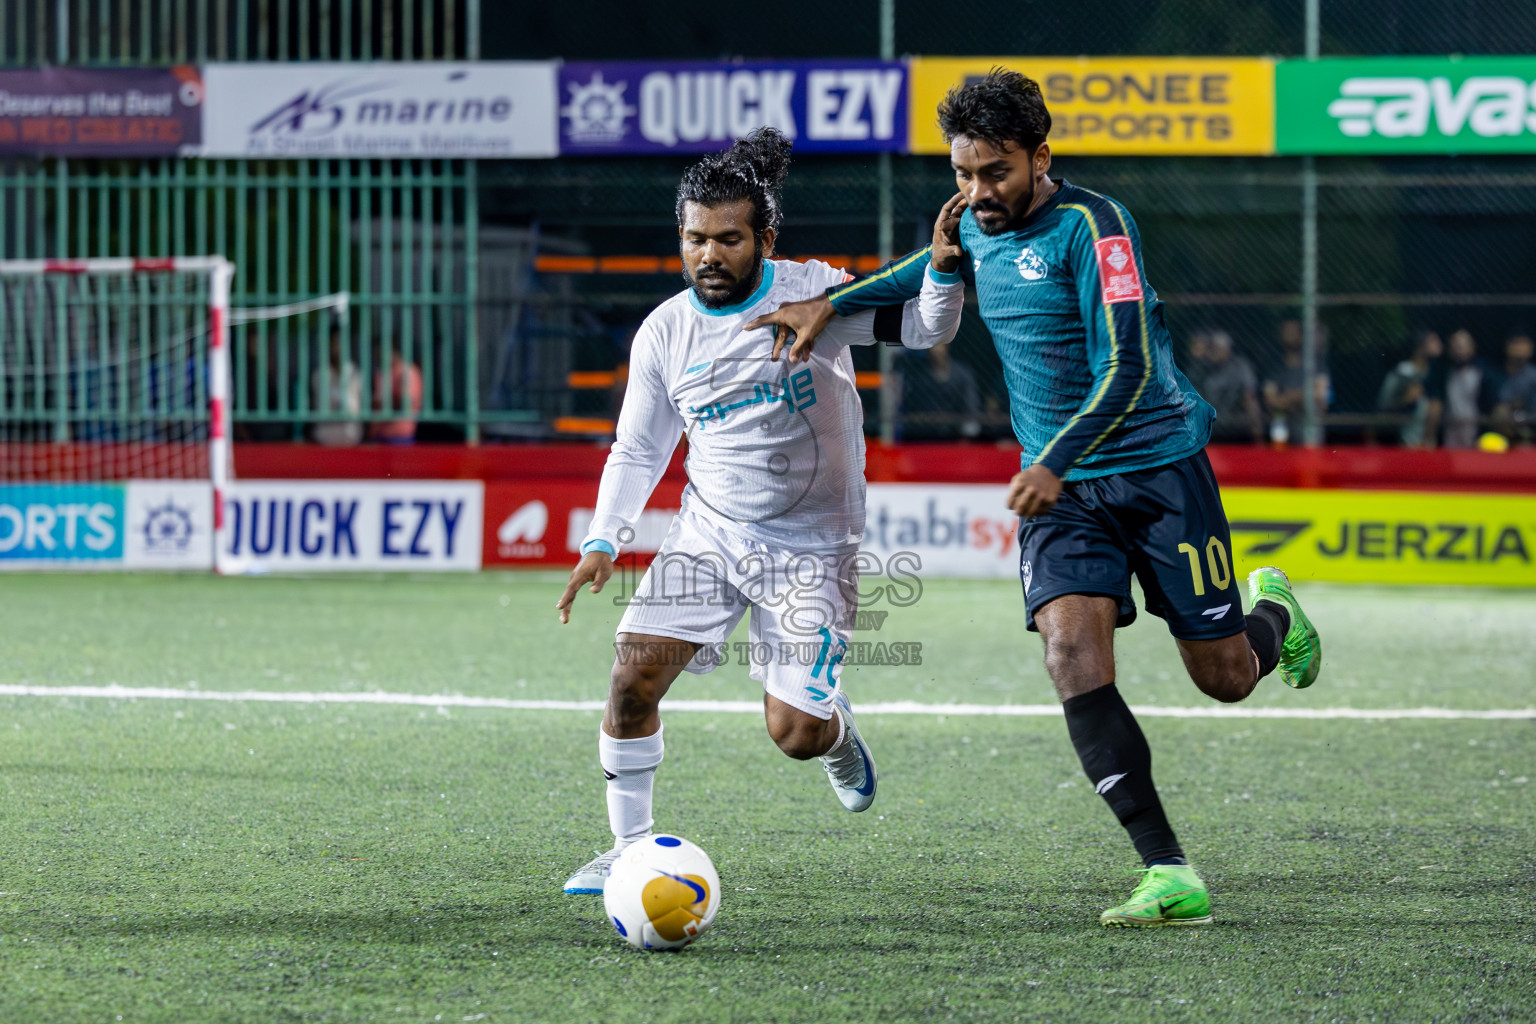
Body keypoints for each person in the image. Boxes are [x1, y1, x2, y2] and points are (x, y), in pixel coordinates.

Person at [747, 69, 1322, 928]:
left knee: (1226, 677)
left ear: (1040, 158)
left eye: (996, 172)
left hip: (1157, 470)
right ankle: (1168, 870)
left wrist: (1052, 459)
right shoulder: (974, 225)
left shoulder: (1097, 229)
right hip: (1064, 494)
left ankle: (1274, 615)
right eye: (963, 173)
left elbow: (1128, 366)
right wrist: (828, 304)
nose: (978, 191)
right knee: (1070, 654)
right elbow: (924, 268)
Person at [554, 128, 965, 895]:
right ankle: (628, 849)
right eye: (695, 239)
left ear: (765, 240)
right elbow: (639, 448)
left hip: (814, 546)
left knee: (795, 734)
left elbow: (924, 328)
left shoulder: (814, 293)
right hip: (712, 533)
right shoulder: (665, 331)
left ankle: (837, 733)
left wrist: (941, 272)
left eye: (728, 239)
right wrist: (603, 539)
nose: (708, 254)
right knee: (630, 679)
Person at [1261, 319, 1330, 445]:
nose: (1290, 336)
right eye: (1286, 332)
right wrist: (1303, 396)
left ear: (1301, 337)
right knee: (1278, 423)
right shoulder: (1274, 368)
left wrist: (1289, 397)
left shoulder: (1317, 366)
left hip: (1308, 423)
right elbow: (1270, 400)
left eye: (1293, 332)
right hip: (1283, 422)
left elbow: (1322, 399)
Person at [896, 342, 984, 439]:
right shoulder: (918, 376)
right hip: (922, 437)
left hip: (954, 437)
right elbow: (911, 407)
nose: (934, 351)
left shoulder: (962, 375)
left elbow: (970, 407)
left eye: (938, 345)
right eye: (930, 347)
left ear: (946, 346)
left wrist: (966, 438)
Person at [1376, 330, 1442, 447]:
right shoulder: (1404, 371)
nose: (1439, 344)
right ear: (1421, 346)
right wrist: (1406, 400)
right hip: (1403, 437)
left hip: (1425, 438)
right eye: (1433, 341)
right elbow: (1385, 403)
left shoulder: (1433, 372)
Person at [1197, 330, 1263, 444]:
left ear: (1227, 349)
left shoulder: (1240, 367)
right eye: (1211, 348)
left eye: (1216, 348)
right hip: (1211, 424)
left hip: (1236, 424)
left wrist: (1257, 432)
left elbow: (1250, 396)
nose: (1212, 352)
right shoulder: (1204, 368)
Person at [1441, 329, 1499, 449]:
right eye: (1456, 345)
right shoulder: (1444, 373)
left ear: (1472, 347)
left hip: (1476, 432)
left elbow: (1491, 403)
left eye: (1463, 345)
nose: (1459, 350)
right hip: (1450, 432)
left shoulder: (1484, 373)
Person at [311, 328, 364, 446]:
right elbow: (323, 407)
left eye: (342, 343)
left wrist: (338, 399)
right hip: (326, 437)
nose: (339, 348)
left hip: (351, 438)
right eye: (335, 343)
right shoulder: (320, 374)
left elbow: (355, 408)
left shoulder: (355, 373)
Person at [370, 343, 423, 444]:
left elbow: (405, 402)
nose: (379, 356)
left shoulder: (407, 371)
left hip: (400, 435)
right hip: (379, 434)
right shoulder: (382, 372)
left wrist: (382, 405)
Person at [1493, 333, 1536, 445]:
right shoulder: (1493, 374)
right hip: (1496, 435)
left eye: (1523, 343)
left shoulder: (1533, 377)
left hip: (1529, 435)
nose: (1519, 348)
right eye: (1516, 343)